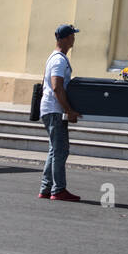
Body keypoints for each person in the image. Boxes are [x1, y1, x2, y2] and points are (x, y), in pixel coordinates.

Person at [39, 23, 82, 202]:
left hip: (51, 109)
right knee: (61, 150)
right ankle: (58, 189)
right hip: (55, 110)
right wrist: (68, 110)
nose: (74, 39)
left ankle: (46, 187)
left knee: (54, 150)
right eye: (72, 35)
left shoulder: (56, 57)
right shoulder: (58, 60)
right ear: (64, 38)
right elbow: (57, 87)